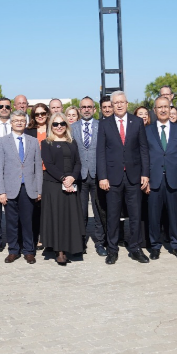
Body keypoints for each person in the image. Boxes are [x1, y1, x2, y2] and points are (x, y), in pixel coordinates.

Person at [97, 91, 150, 264]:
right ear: (111, 105)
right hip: (112, 178)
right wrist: (102, 176)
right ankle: (112, 249)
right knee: (112, 215)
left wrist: (145, 174)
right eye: (115, 103)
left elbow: (143, 149)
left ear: (127, 104)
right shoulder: (105, 124)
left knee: (135, 214)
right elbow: (101, 152)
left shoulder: (137, 122)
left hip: (134, 176)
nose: (119, 105)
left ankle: (135, 248)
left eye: (122, 102)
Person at [144, 96, 177, 260]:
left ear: (170, 109)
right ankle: (155, 246)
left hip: (174, 179)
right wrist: (146, 178)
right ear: (154, 111)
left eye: (166, 107)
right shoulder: (147, 130)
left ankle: (176, 245)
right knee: (154, 216)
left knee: (174, 215)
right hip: (154, 179)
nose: (163, 110)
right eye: (159, 107)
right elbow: (145, 157)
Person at [0, 110, 43, 264]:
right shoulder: (2, 142)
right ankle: (13, 250)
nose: (19, 122)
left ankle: (29, 251)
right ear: (11, 123)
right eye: (16, 120)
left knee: (28, 221)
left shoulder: (33, 141)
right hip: (9, 189)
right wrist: (0, 191)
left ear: (25, 122)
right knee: (11, 222)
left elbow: (37, 168)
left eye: (22, 120)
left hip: (28, 188)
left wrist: (38, 190)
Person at [40, 112, 83, 264]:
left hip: (70, 183)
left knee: (69, 217)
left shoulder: (73, 142)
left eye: (62, 124)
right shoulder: (46, 143)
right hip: (53, 185)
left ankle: (72, 247)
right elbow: (49, 164)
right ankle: (59, 251)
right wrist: (64, 179)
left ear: (66, 125)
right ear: (51, 126)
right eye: (55, 124)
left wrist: (72, 178)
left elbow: (78, 162)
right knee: (57, 218)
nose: (59, 127)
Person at [71, 96, 107, 257]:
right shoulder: (72, 128)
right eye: (83, 107)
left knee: (99, 211)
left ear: (94, 109)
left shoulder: (102, 126)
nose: (86, 109)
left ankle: (100, 242)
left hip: (98, 175)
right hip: (79, 177)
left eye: (89, 107)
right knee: (81, 211)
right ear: (80, 109)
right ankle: (81, 242)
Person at [25, 103, 49, 248]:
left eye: (43, 113)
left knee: (48, 207)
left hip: (50, 173)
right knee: (35, 207)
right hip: (33, 173)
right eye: (37, 114)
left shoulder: (54, 128)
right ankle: (35, 237)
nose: (40, 116)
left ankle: (46, 237)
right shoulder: (28, 131)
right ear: (33, 115)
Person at [0, 98, 13, 254]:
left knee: (14, 211)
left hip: (14, 175)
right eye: (1, 106)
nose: (4, 108)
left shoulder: (18, 125)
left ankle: (15, 241)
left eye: (7, 106)